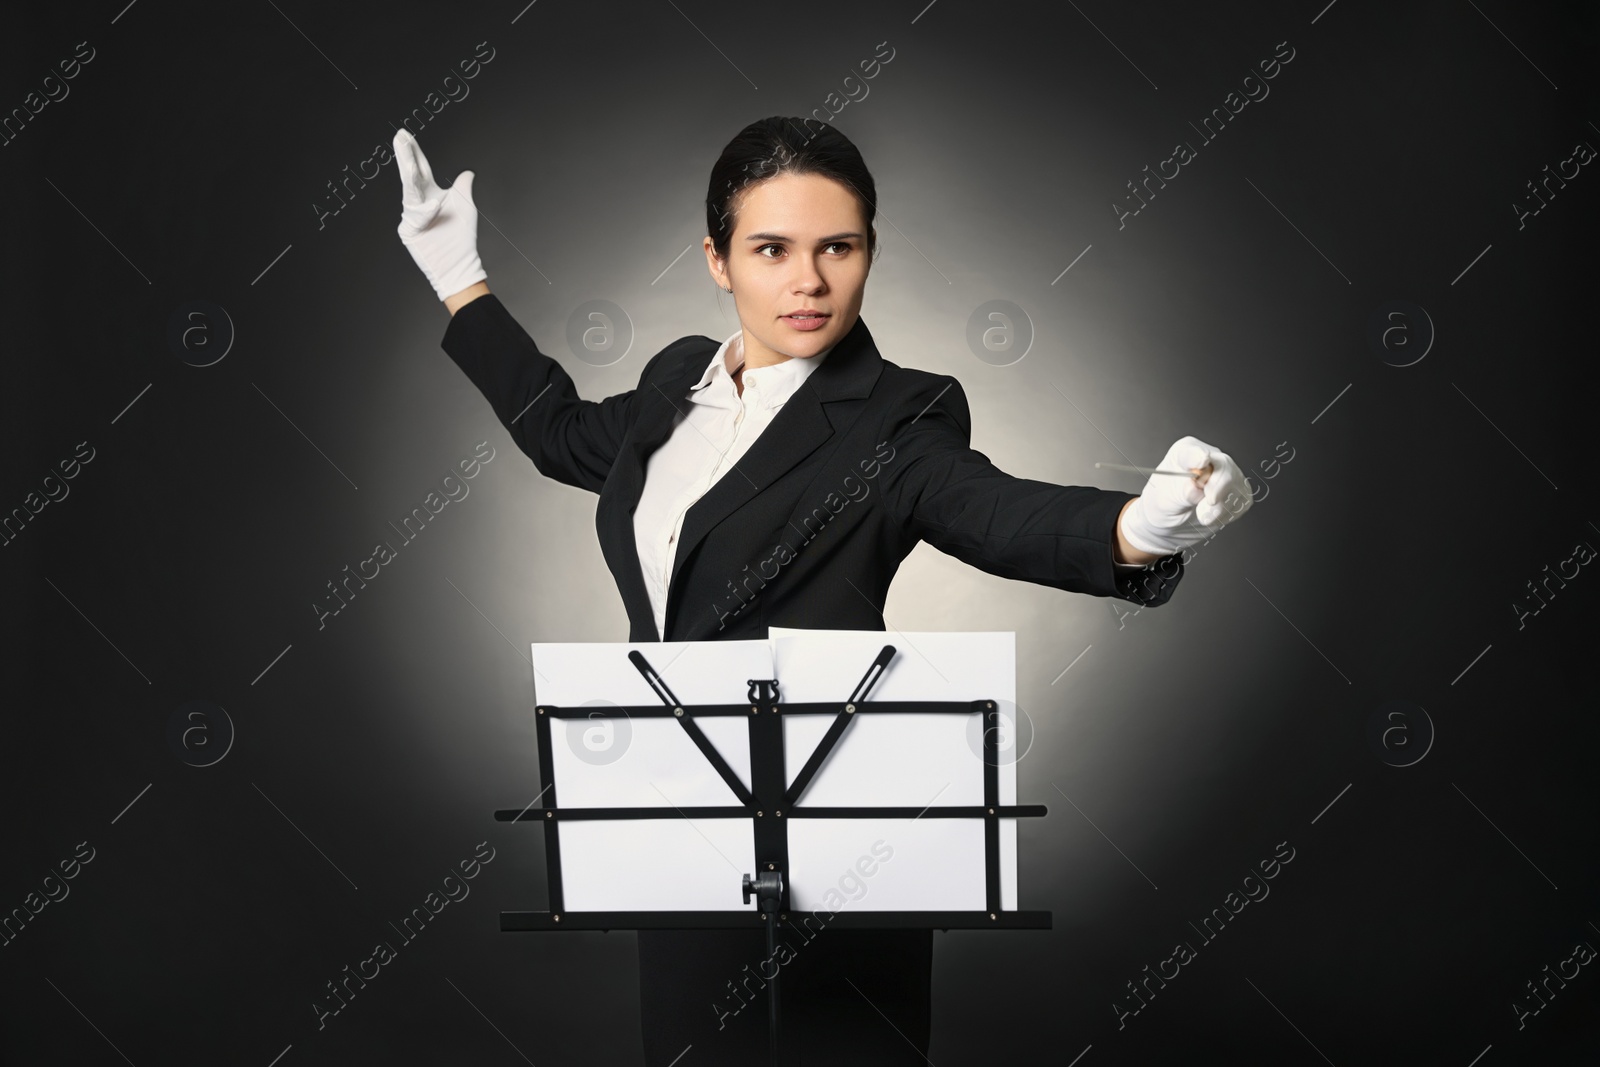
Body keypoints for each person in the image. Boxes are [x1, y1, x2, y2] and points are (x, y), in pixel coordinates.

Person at [395, 115, 1252, 1066]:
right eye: (771, 249)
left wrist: (1139, 527)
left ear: (869, 252)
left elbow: (987, 508)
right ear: (718, 261)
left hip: (847, 845)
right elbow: (557, 430)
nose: (809, 280)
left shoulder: (900, 411)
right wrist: (456, 277)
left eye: (837, 247)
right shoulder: (677, 381)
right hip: (679, 832)